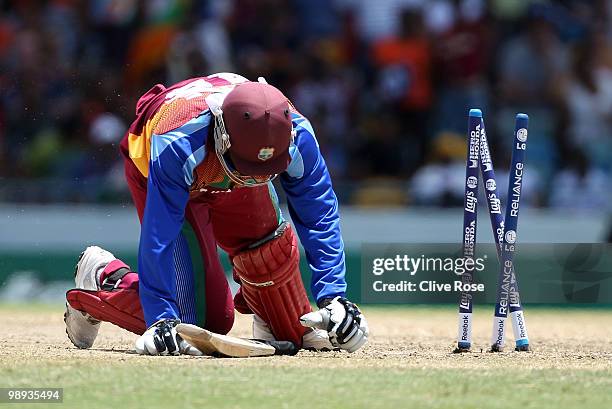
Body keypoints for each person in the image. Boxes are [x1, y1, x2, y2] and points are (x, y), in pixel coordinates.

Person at [64, 73, 368, 355]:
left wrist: (334, 297)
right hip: (162, 177)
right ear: (223, 133)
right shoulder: (178, 141)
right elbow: (159, 236)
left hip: (223, 162)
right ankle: (106, 276)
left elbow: (320, 214)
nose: (257, 180)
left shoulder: (296, 133)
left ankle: (264, 311)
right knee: (197, 324)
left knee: (292, 327)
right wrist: (160, 318)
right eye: (251, 170)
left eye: (267, 172)